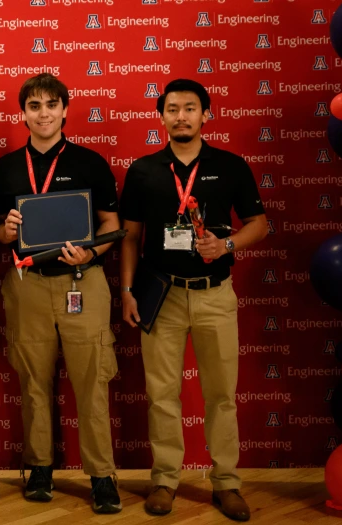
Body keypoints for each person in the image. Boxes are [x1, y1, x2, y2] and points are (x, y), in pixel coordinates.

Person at [118, 79, 266, 522]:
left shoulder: (231, 165)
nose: (181, 116)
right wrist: (126, 291)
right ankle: (165, 480)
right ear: (160, 116)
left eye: (190, 108)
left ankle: (226, 483)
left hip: (214, 295)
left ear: (206, 115)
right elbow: (130, 237)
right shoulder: (143, 170)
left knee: (221, 395)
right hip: (160, 295)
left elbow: (259, 224)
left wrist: (227, 247)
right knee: (162, 394)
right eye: (172, 109)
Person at [0, 74, 122, 514]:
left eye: (51, 104)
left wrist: (90, 254)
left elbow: (109, 223)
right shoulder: (8, 166)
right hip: (27, 286)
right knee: (33, 385)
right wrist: (5, 230)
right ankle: (40, 467)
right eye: (34, 105)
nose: (43, 112)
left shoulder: (90, 162)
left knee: (91, 384)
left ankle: (101, 475)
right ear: (23, 112)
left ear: (65, 110)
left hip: (82, 284)